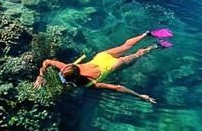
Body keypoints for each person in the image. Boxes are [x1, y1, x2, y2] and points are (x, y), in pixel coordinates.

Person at [33, 31, 162, 103]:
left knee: (138, 54)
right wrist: (40, 75)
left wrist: (140, 96)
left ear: (74, 78)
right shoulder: (68, 67)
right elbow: (47, 61)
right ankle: (146, 34)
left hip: (114, 65)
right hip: (102, 57)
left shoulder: (90, 84)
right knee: (126, 46)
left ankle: (155, 46)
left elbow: (118, 88)